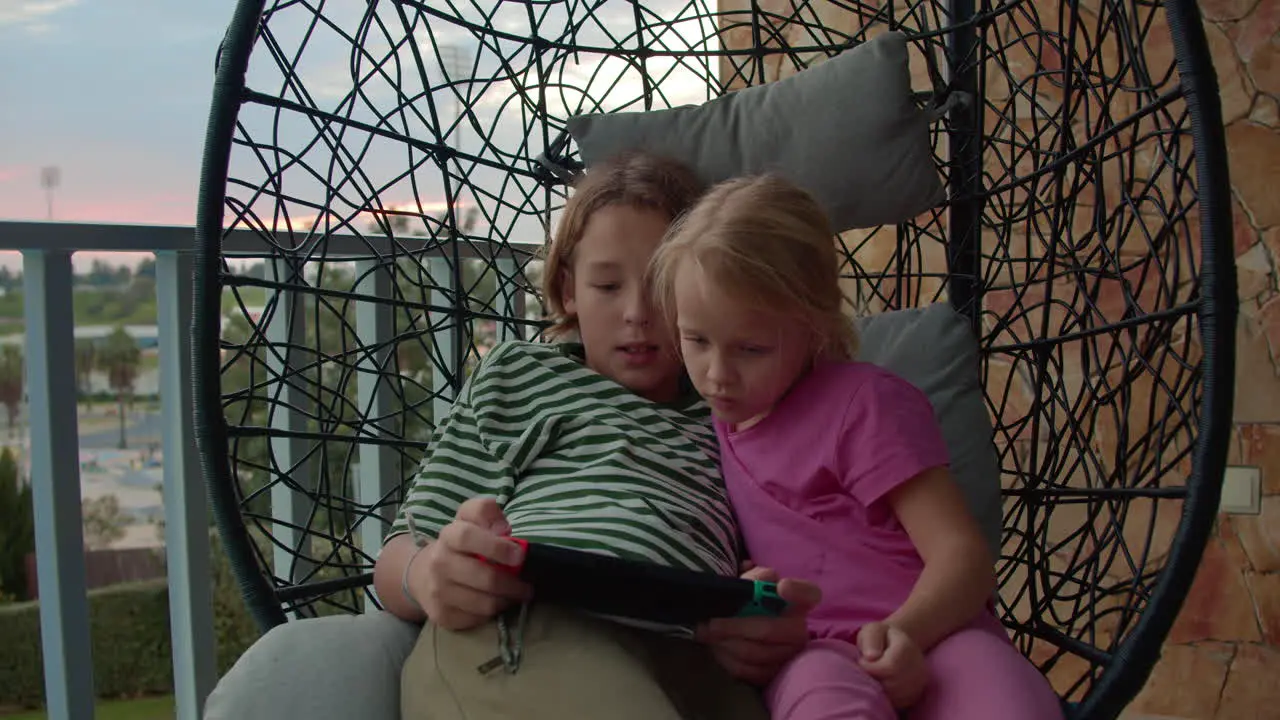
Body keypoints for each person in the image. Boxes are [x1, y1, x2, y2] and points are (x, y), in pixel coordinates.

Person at [371, 153, 821, 720]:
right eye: (607, 285)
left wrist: (764, 620)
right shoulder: (523, 376)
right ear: (567, 290)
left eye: (661, 286)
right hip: (539, 628)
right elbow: (396, 556)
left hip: (696, 657)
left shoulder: (742, 412)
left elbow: (797, 563)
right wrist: (428, 574)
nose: (636, 313)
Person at [649, 174, 1066, 719]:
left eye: (750, 348)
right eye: (696, 340)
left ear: (815, 324)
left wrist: (905, 634)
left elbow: (961, 555)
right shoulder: (704, 431)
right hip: (815, 650)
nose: (717, 374)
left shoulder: (862, 405)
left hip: (939, 632)